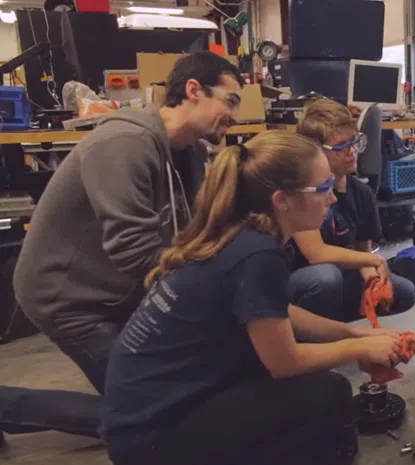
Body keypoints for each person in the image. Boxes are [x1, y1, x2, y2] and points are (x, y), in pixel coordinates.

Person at [102, 130, 401, 465]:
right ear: (282, 199)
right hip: (154, 437)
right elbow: (285, 362)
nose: (332, 199)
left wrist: (354, 333)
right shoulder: (257, 254)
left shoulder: (242, 234)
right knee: (327, 395)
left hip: (142, 412)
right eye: (323, 189)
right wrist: (360, 348)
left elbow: (277, 312)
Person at [0, 51, 243, 442]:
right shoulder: (124, 142)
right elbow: (133, 249)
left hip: (123, 287)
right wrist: (206, 294)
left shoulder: (191, 152)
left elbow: (196, 230)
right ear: (194, 90)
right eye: (229, 101)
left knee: (195, 386)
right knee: (147, 412)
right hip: (69, 298)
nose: (233, 115)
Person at [286, 98, 415, 322]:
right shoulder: (303, 189)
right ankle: (304, 335)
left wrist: (371, 282)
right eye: (340, 146)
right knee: (325, 279)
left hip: (337, 275)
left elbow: (362, 253)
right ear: (314, 149)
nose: (352, 151)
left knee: (404, 292)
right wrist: (374, 262)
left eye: (355, 142)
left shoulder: (362, 192)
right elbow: (316, 254)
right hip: (301, 279)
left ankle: (330, 327)